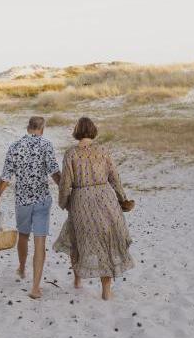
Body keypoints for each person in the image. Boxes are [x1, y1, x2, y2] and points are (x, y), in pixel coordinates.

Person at [54, 116, 134, 300]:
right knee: (106, 241)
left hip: (81, 200)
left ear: (76, 132)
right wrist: (123, 199)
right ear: (93, 131)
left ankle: (77, 280)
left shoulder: (71, 153)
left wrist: (64, 202)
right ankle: (106, 290)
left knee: (76, 238)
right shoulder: (103, 151)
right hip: (105, 198)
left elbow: (66, 183)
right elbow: (114, 177)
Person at [0, 116, 60, 299]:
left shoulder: (15, 146)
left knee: (23, 235)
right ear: (42, 129)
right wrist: (66, 192)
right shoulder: (46, 145)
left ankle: (21, 268)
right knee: (40, 241)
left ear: (28, 128)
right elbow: (54, 173)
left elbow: (5, 177)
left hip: (22, 201)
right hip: (42, 200)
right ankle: (35, 288)